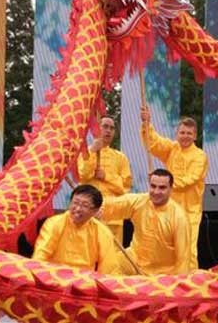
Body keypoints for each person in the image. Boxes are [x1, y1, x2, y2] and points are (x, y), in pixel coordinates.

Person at [140, 106, 208, 270]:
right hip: (169, 209)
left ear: (195, 136)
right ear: (177, 133)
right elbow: (154, 142)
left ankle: (189, 284)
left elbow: (190, 180)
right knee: (165, 247)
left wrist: (163, 182)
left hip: (189, 212)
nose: (185, 136)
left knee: (188, 250)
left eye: (189, 133)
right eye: (182, 132)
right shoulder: (172, 149)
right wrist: (147, 122)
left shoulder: (200, 156)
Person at [100, 168, 191, 275]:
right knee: (108, 264)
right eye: (153, 186)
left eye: (162, 188)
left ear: (171, 189)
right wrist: (96, 209)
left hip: (161, 273)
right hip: (133, 260)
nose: (156, 192)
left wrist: (175, 285)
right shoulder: (139, 201)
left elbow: (183, 259)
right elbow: (112, 205)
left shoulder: (179, 217)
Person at [32, 184, 120, 274]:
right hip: (55, 277)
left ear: (95, 211)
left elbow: (109, 269)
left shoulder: (102, 232)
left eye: (84, 206)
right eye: (75, 203)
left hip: (85, 281)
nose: (77, 209)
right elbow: (40, 256)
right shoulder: (54, 223)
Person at [77, 116, 132, 242]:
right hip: (89, 213)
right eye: (105, 126)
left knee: (112, 257)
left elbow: (125, 187)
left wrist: (106, 177)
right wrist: (92, 152)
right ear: (97, 129)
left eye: (112, 128)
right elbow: (82, 175)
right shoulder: (85, 153)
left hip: (113, 215)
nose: (108, 130)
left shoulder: (120, 157)